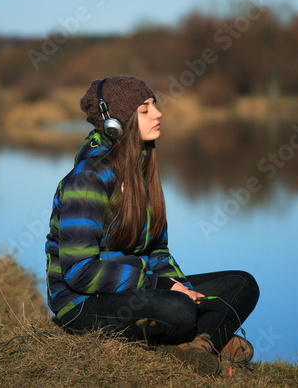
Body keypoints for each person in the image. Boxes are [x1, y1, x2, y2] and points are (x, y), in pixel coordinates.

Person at [45, 75, 259, 376]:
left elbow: (158, 251)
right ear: (115, 123)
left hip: (136, 289)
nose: (158, 114)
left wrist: (180, 285)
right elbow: (79, 270)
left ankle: (199, 347)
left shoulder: (141, 172)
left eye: (154, 106)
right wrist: (162, 287)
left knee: (242, 283)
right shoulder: (88, 180)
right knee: (177, 309)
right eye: (145, 110)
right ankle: (200, 336)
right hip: (82, 303)